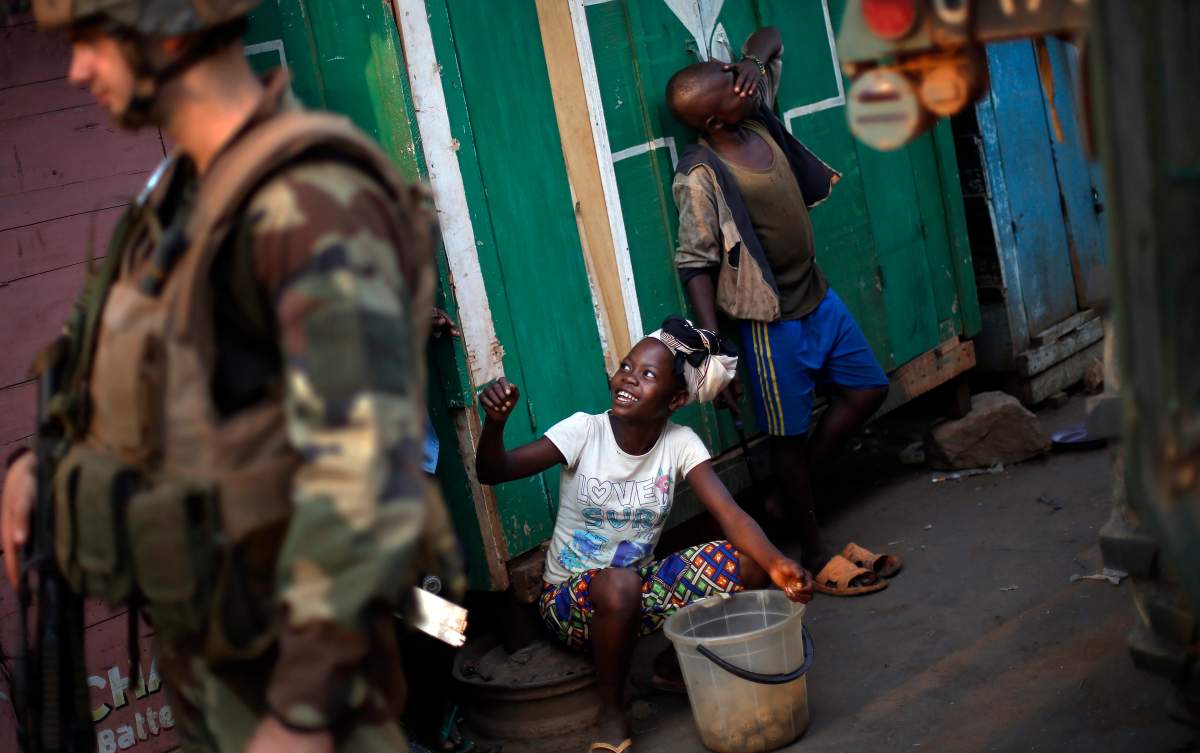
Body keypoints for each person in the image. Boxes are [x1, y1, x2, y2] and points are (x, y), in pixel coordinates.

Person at [0, 1, 461, 751]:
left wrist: (302, 715)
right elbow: (96, 377)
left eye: (92, 41)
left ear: (171, 29)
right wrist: (32, 468)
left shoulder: (311, 198)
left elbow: (366, 476)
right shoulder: (164, 204)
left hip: (304, 689)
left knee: (433, 617)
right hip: (210, 661)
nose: (77, 67)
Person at [474, 316, 813, 753]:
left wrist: (777, 563)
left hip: (639, 593)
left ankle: (672, 667)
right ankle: (612, 711)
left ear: (674, 399)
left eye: (647, 375)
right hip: (569, 603)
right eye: (626, 366)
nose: (627, 379)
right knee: (620, 584)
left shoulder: (680, 442)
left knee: (748, 561)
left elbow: (731, 515)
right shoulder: (585, 431)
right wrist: (495, 424)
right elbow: (493, 471)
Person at [666, 27, 901, 597]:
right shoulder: (702, 175)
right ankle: (814, 546)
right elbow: (695, 264)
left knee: (868, 389)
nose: (738, 80)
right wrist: (713, 350)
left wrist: (749, 61)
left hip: (817, 298)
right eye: (727, 83)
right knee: (787, 437)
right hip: (770, 324)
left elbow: (772, 36)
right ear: (713, 120)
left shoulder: (755, 114)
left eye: (736, 75)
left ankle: (784, 496)